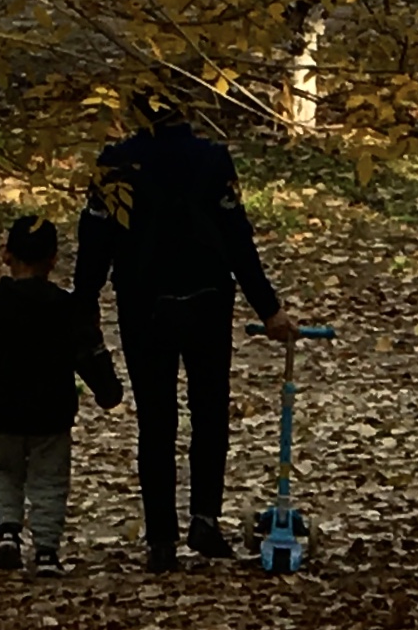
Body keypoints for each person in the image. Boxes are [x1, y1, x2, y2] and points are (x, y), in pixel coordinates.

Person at [72, 91, 301, 572]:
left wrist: (85, 298)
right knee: (210, 410)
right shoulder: (211, 159)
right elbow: (238, 236)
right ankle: (204, 518)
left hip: (143, 303)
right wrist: (269, 307)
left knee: (156, 420)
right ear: (185, 111)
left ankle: (160, 538)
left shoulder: (116, 164)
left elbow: (95, 238)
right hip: (206, 297)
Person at [0, 211, 123, 574]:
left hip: (2, 411)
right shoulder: (67, 309)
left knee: (3, 471)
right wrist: (108, 390)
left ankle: (7, 532)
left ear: (6, 255)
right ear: (53, 259)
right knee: (50, 479)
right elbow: (89, 352)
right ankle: (46, 550)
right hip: (52, 412)